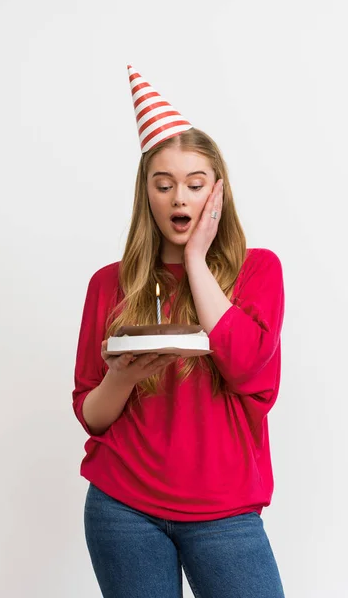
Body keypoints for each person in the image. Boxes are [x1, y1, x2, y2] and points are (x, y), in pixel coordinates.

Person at [72, 65, 286, 598]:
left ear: (218, 193)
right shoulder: (108, 284)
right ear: (147, 193)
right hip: (122, 508)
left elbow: (245, 368)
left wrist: (195, 258)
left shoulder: (259, 271)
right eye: (163, 185)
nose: (178, 199)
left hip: (225, 512)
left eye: (194, 185)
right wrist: (121, 378)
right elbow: (91, 415)